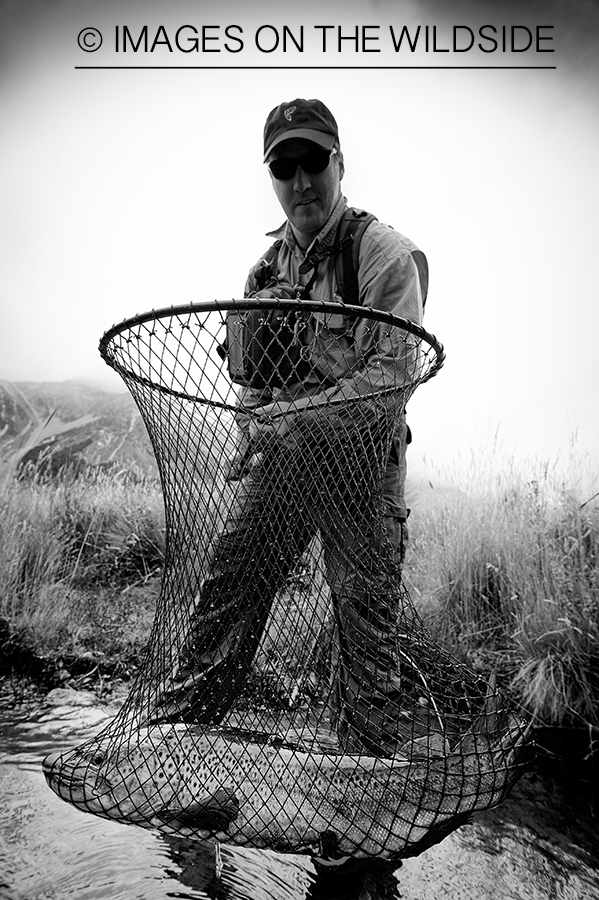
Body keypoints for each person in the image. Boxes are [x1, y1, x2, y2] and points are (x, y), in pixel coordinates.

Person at [151, 98, 428, 756]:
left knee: (366, 642)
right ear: (271, 177)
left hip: (363, 472)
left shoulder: (383, 256)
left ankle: (357, 828)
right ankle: (174, 761)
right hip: (283, 466)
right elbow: (252, 387)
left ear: (338, 163)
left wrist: (290, 420)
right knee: (226, 598)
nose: (300, 182)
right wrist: (251, 426)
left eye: (312, 163)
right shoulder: (262, 275)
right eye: (284, 168)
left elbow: (389, 384)